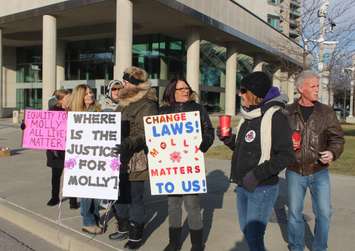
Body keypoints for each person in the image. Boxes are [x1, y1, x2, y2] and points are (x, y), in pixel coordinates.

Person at [217, 71, 295, 251]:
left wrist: (256, 174)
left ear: (255, 93)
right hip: (243, 184)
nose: (239, 94)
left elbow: (286, 155)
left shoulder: (276, 117)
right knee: (248, 232)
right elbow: (244, 150)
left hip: (262, 187)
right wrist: (228, 140)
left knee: (254, 235)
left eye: (243, 90)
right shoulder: (248, 116)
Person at [286, 70, 345, 251]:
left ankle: (320, 248)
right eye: (313, 86)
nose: (317, 90)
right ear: (301, 88)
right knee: (295, 214)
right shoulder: (286, 112)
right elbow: (277, 140)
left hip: (319, 171)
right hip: (294, 171)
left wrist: (332, 153)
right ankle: (296, 247)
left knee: (325, 213)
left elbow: (337, 139)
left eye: (318, 86)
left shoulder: (326, 112)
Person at [160, 78, 214, 251]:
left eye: (187, 88)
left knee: (192, 205)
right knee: (173, 205)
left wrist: (203, 144)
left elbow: (209, 131)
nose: (185, 91)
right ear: (171, 92)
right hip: (169, 167)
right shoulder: (162, 112)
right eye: (180, 89)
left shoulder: (198, 109)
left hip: (190, 165)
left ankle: (197, 244)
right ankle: (174, 242)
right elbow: (154, 137)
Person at [109, 66, 158, 250]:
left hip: (136, 159)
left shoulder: (148, 104)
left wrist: (127, 143)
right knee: (120, 193)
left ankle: (136, 235)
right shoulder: (123, 102)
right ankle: (123, 227)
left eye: (127, 81)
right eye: (124, 80)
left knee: (135, 197)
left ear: (136, 85)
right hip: (118, 156)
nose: (123, 84)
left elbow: (146, 133)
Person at [68, 84, 102, 235]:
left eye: (91, 92)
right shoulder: (71, 114)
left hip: (99, 156)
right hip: (80, 158)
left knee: (97, 191)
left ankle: (95, 217)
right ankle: (87, 221)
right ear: (79, 96)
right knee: (86, 192)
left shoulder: (99, 111)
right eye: (86, 93)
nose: (90, 95)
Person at [46, 89, 79, 209]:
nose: (70, 99)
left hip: (71, 147)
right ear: (61, 99)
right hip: (56, 149)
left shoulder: (74, 110)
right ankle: (54, 197)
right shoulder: (53, 111)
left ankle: (73, 200)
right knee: (56, 175)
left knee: (72, 175)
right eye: (68, 97)